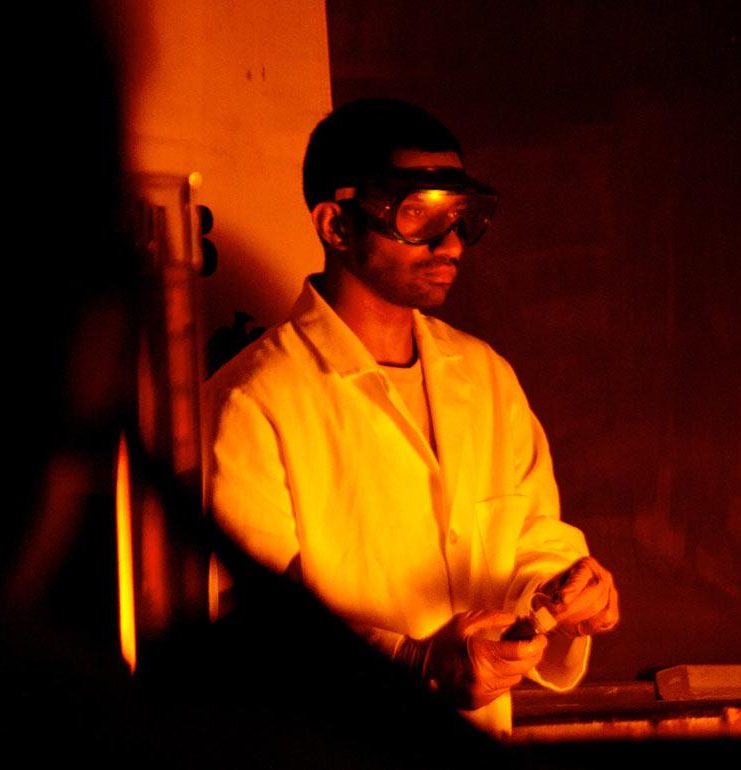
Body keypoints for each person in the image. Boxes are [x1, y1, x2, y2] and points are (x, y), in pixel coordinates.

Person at [204, 98, 619, 735]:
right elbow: (247, 621)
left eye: (461, 217)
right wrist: (413, 665)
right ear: (337, 225)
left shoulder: (484, 378)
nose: (450, 243)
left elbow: (532, 535)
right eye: (417, 214)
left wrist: (560, 591)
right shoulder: (253, 399)